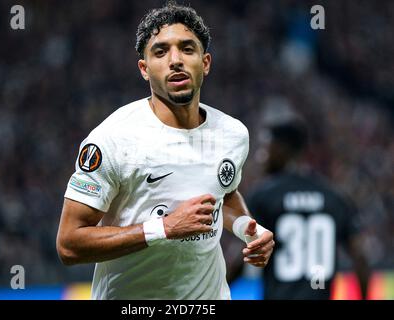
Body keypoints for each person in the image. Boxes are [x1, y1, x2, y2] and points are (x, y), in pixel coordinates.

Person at [56, 2, 274, 299]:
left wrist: (246, 229)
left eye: (187, 49)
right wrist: (165, 228)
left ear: (205, 62)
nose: (175, 60)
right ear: (144, 70)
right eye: (160, 52)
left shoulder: (232, 134)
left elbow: (225, 191)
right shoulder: (114, 138)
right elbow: (69, 244)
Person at [228, 117, 370, 299]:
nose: (261, 156)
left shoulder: (265, 196)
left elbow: (244, 256)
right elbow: (361, 257)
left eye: (266, 147)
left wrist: (215, 291)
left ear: (282, 148)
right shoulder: (334, 197)